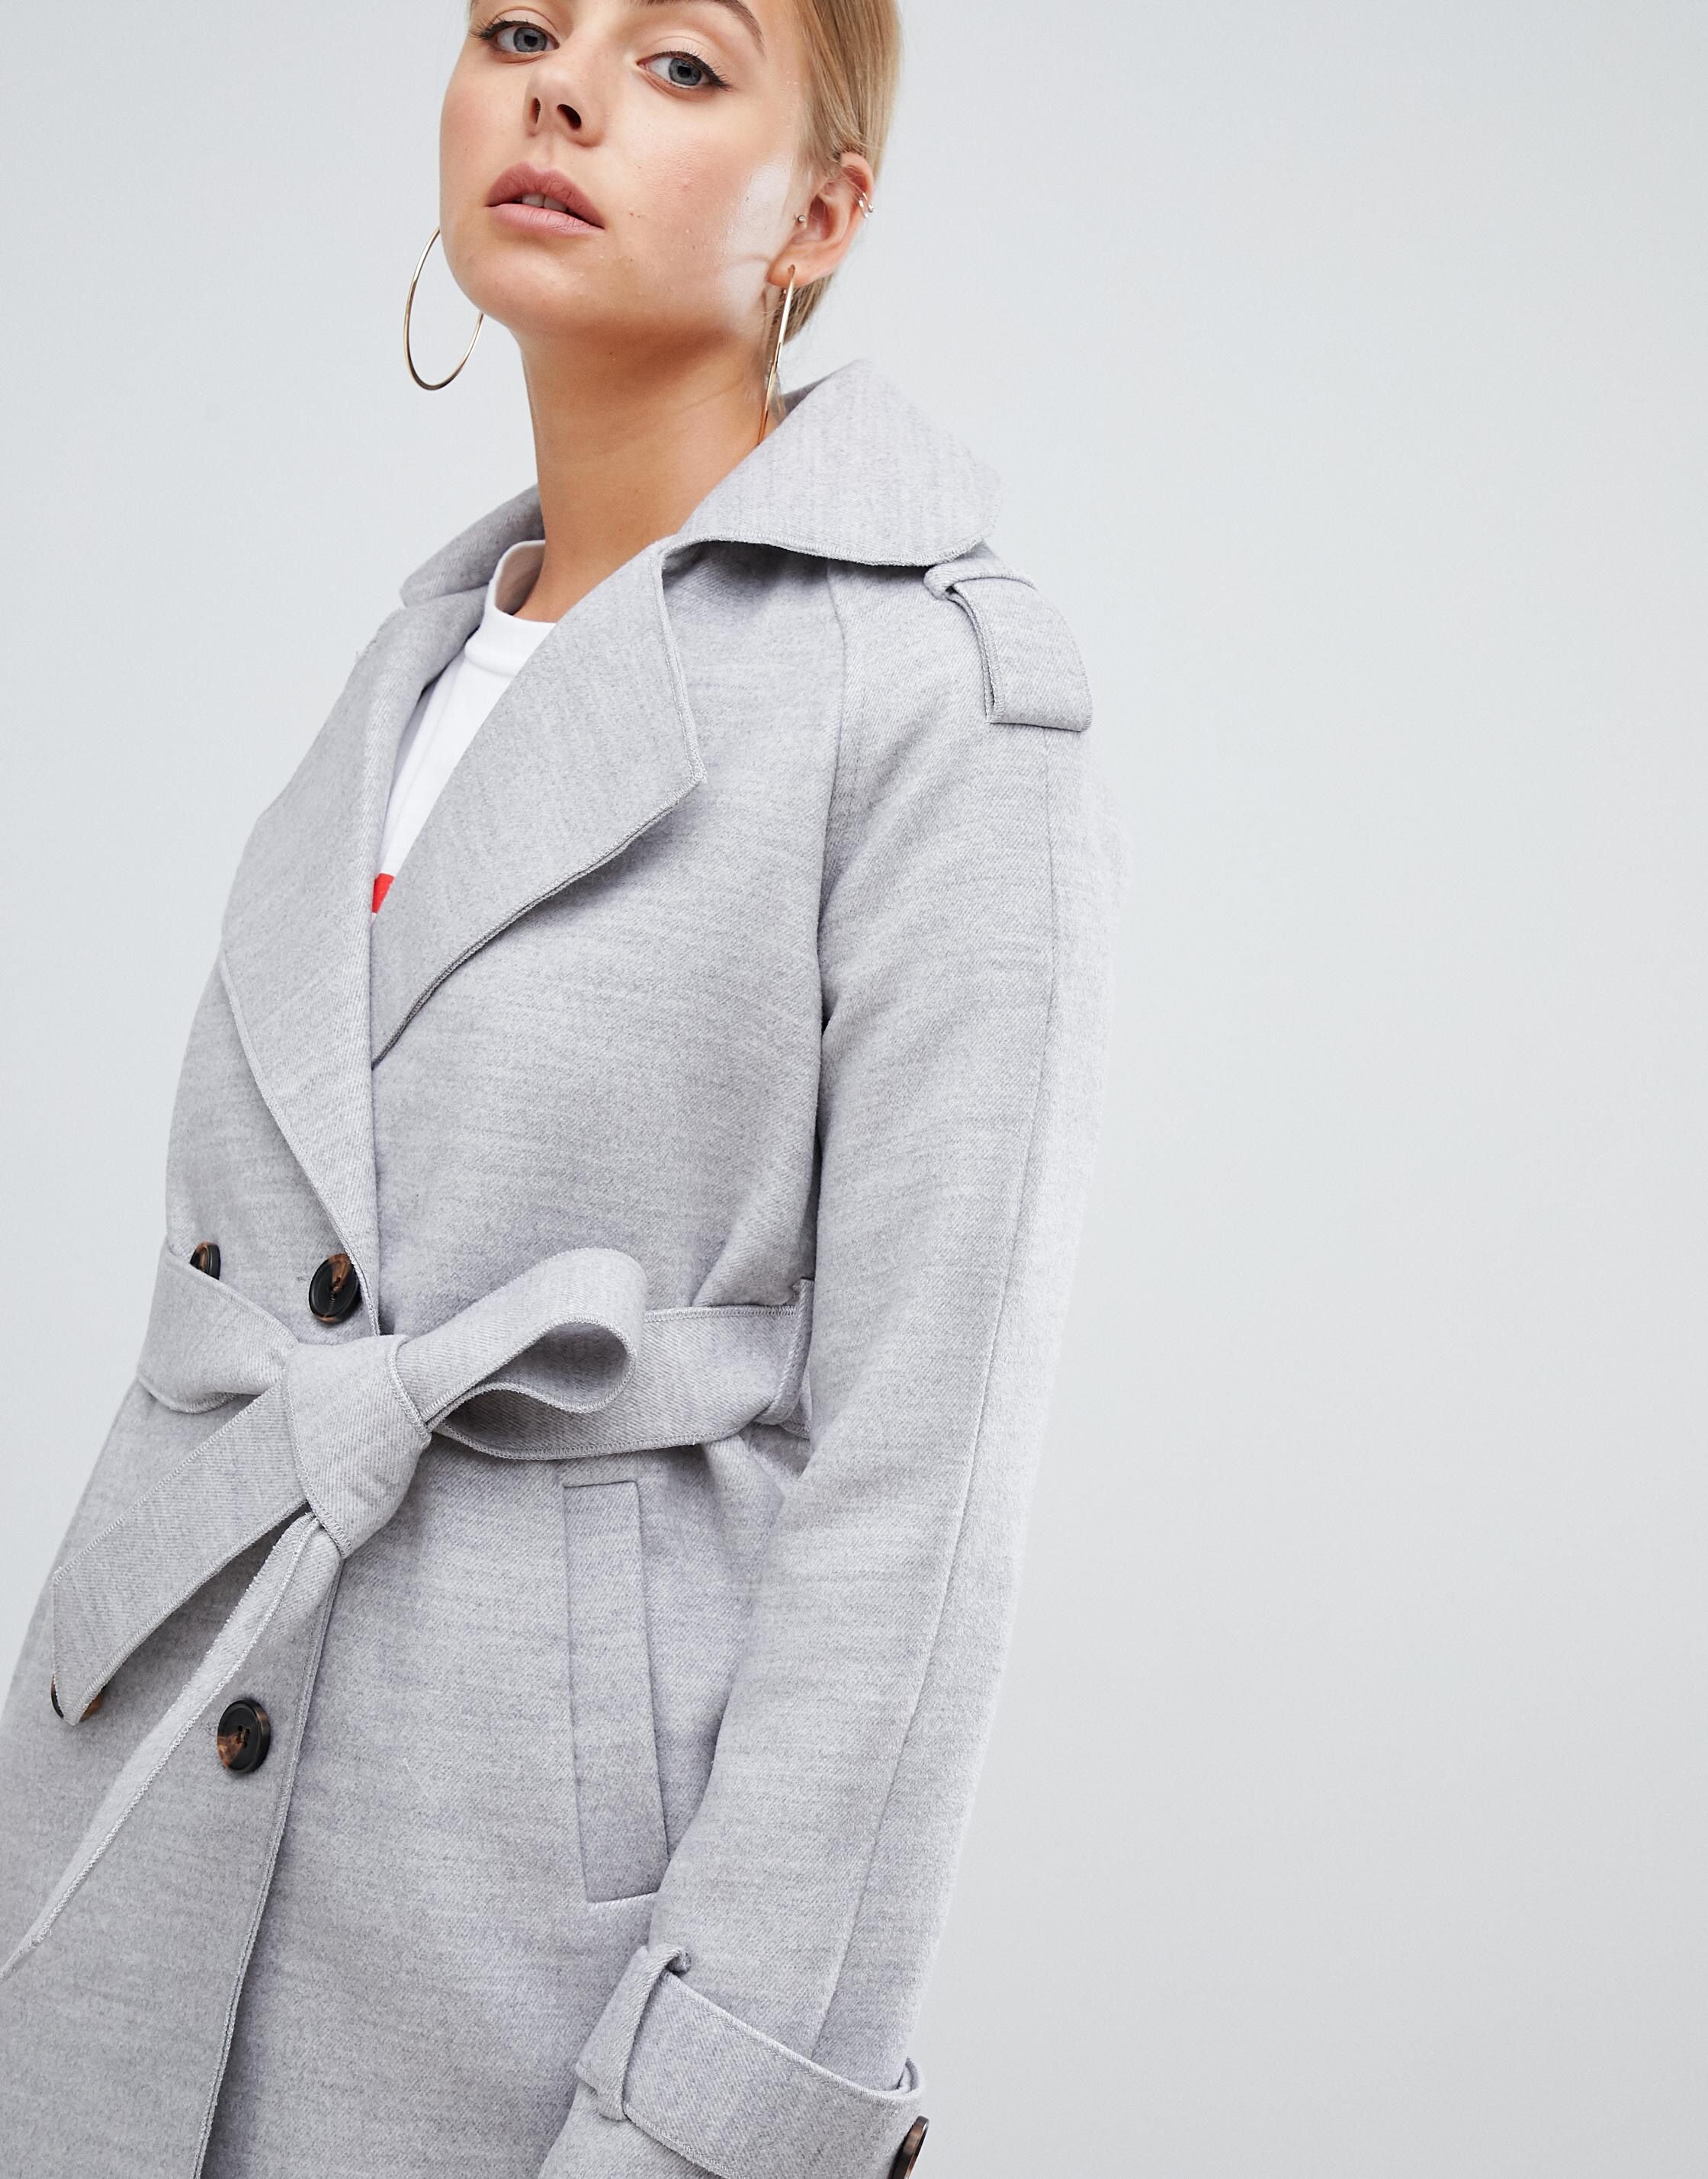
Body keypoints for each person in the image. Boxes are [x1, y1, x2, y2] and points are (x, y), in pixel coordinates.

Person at [0, 4, 1128, 2174]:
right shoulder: (408, 670)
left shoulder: (940, 702)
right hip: (129, 1838)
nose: (563, 89)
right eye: (518, 26)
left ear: (825, 212)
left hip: (518, 1949)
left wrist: (716, 2114)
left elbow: (921, 1501)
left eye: (681, 61)